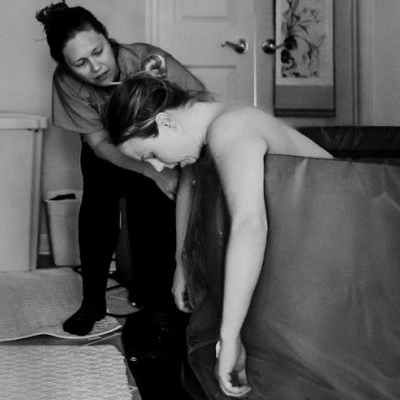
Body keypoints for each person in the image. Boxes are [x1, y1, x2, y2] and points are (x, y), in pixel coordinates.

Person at [106, 74, 333, 398]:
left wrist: (230, 338)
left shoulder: (229, 130)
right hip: (307, 234)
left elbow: (249, 224)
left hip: (336, 230)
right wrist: (182, 264)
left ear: (166, 122)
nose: (157, 167)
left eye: (150, 154)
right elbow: (189, 180)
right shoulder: (204, 122)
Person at [35, 3, 206, 336]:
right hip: (109, 154)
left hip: (156, 149)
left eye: (98, 52)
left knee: (153, 213)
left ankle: (158, 304)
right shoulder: (66, 83)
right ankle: (92, 302)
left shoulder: (147, 60)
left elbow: (201, 102)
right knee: (96, 206)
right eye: (80, 63)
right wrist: (149, 171)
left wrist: (165, 165)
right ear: (66, 66)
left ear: (106, 37)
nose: (95, 67)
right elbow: (98, 143)